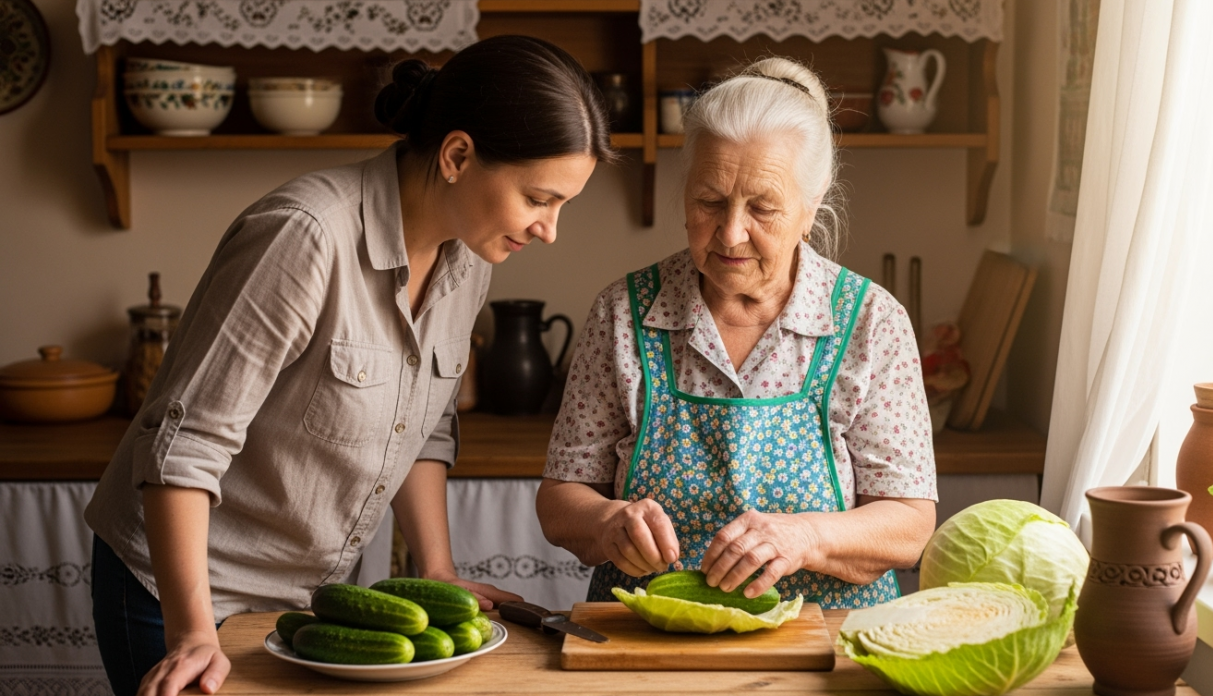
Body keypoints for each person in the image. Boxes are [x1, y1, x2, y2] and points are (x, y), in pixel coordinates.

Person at [85, 35, 614, 696]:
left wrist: (439, 569)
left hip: (312, 598)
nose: (549, 228)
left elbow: (420, 428)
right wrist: (193, 632)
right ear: (457, 155)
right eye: (539, 199)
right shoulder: (303, 236)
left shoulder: (471, 256)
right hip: (180, 591)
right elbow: (182, 450)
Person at [536, 57, 937, 609]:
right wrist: (607, 521)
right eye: (709, 201)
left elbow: (911, 524)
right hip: (649, 643)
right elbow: (560, 500)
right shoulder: (623, 314)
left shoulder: (871, 322)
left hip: (825, 644)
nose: (730, 232)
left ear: (811, 205)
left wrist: (807, 538)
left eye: (764, 208)